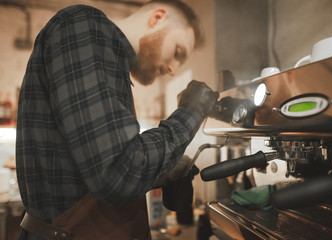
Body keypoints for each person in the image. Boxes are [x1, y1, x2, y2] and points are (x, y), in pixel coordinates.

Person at [16, 0, 218, 239]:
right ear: (157, 18)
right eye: (177, 52)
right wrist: (192, 111)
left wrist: (163, 170)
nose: (173, 68)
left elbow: (96, 170)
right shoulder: (83, 26)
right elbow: (117, 175)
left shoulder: (108, 60)